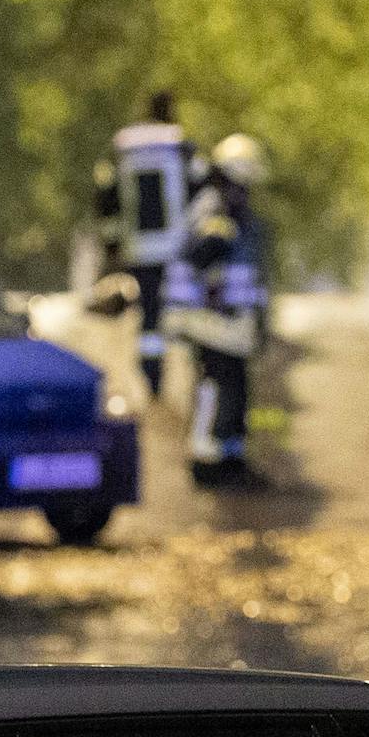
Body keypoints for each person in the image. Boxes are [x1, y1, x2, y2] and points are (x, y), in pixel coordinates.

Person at [93, 90, 205, 396]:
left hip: (139, 250)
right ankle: (197, 378)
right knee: (189, 310)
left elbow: (107, 197)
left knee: (150, 316)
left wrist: (112, 246)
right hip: (179, 250)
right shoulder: (179, 144)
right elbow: (202, 189)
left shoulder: (126, 146)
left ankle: (152, 378)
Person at [181, 132, 271, 488]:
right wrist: (218, 237)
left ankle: (231, 459)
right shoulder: (213, 208)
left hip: (233, 322)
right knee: (215, 387)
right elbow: (199, 256)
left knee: (235, 390)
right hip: (212, 321)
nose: (245, 192)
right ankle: (206, 460)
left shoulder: (231, 210)